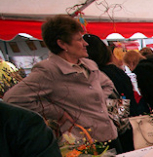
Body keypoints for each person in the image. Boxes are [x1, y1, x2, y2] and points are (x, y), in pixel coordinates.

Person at [4, 15, 118, 144]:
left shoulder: (88, 64)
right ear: (62, 44)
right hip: (82, 143)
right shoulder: (49, 71)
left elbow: (107, 84)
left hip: (109, 134)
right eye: (79, 39)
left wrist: (97, 101)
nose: (85, 43)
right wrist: (57, 112)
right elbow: (13, 98)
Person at [84, 34, 142, 151]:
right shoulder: (116, 71)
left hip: (117, 130)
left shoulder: (99, 75)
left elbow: (118, 108)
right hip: (130, 124)